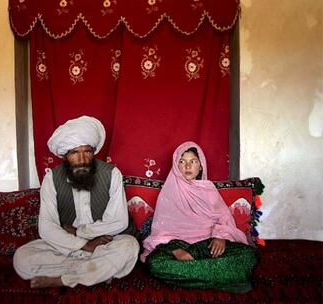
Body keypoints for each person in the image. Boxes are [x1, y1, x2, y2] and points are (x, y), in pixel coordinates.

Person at [13, 116, 139, 288]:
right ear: (65, 155)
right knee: (22, 257)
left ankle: (65, 279)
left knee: (129, 247)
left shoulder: (112, 174)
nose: (81, 160)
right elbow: (46, 227)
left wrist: (79, 232)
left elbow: (118, 222)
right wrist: (82, 245)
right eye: (74, 153)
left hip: (105, 243)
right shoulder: (52, 178)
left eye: (86, 152)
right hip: (68, 245)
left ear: (93, 152)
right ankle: (97, 272)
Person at [140, 141, 258, 293]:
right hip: (178, 247)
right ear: (176, 166)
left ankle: (196, 275)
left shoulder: (208, 190)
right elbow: (161, 232)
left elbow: (224, 219)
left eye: (193, 161)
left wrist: (220, 236)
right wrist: (175, 250)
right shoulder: (169, 192)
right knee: (154, 264)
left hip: (207, 246)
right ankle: (226, 279)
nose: (188, 167)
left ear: (201, 165)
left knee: (248, 256)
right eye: (182, 162)